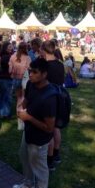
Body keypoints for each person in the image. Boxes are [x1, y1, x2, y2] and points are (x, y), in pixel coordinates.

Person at [13, 58, 57, 188]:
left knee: (40, 168)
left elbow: (49, 128)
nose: (30, 74)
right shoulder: (32, 84)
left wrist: (29, 118)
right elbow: (27, 99)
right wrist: (21, 105)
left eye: (35, 72)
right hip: (28, 132)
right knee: (24, 157)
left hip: (40, 139)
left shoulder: (50, 97)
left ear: (44, 74)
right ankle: (28, 186)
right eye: (30, 71)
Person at [41, 40, 65, 171]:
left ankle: (49, 161)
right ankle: (56, 154)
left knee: (48, 130)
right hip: (59, 97)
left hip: (48, 99)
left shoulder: (46, 66)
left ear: (44, 50)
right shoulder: (60, 64)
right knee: (56, 128)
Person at [0, 41, 14, 119]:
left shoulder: (5, 56)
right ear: (5, 48)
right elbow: (9, 68)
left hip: (2, 78)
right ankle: (6, 113)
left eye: (11, 46)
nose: (11, 48)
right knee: (7, 97)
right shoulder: (7, 57)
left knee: (1, 96)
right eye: (9, 47)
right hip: (6, 78)